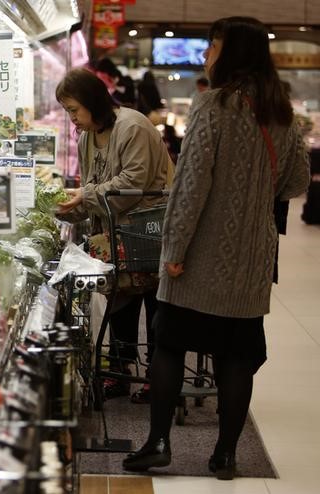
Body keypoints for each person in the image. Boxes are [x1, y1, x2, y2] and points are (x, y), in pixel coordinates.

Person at [122, 17, 309, 480]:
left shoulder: (212, 105)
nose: (207, 54)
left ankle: (159, 443)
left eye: (213, 45)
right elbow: (297, 180)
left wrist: (174, 248)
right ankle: (225, 454)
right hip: (253, 257)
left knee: (168, 342)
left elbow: (190, 187)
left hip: (201, 253)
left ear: (231, 52)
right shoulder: (280, 111)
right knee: (237, 353)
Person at [54, 68, 173, 401]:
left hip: (150, 228)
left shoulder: (132, 127)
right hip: (115, 232)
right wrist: (64, 207)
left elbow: (132, 185)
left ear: (93, 101)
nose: (72, 119)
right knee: (119, 299)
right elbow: (94, 190)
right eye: (68, 112)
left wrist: (83, 196)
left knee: (155, 301)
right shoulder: (86, 137)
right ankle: (121, 369)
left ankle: (156, 373)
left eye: (74, 110)